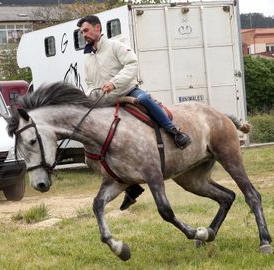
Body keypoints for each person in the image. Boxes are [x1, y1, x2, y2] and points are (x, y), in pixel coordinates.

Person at [78, 15, 191, 210]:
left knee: (145, 99)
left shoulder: (114, 46)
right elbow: (89, 83)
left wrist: (114, 83)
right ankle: (130, 185)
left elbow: (132, 64)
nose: (84, 35)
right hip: (103, 101)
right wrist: (89, 94)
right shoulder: (87, 58)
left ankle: (175, 132)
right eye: (81, 32)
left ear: (97, 28)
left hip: (126, 91)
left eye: (86, 30)